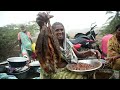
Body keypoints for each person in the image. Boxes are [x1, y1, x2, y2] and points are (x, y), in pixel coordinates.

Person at [36, 12, 101, 79]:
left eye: (62, 29)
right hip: (56, 72)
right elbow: (43, 44)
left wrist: (89, 52)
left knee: (91, 73)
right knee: (81, 77)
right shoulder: (50, 44)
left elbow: (78, 54)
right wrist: (41, 25)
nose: (60, 32)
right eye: (57, 30)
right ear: (52, 32)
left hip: (70, 68)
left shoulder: (67, 43)